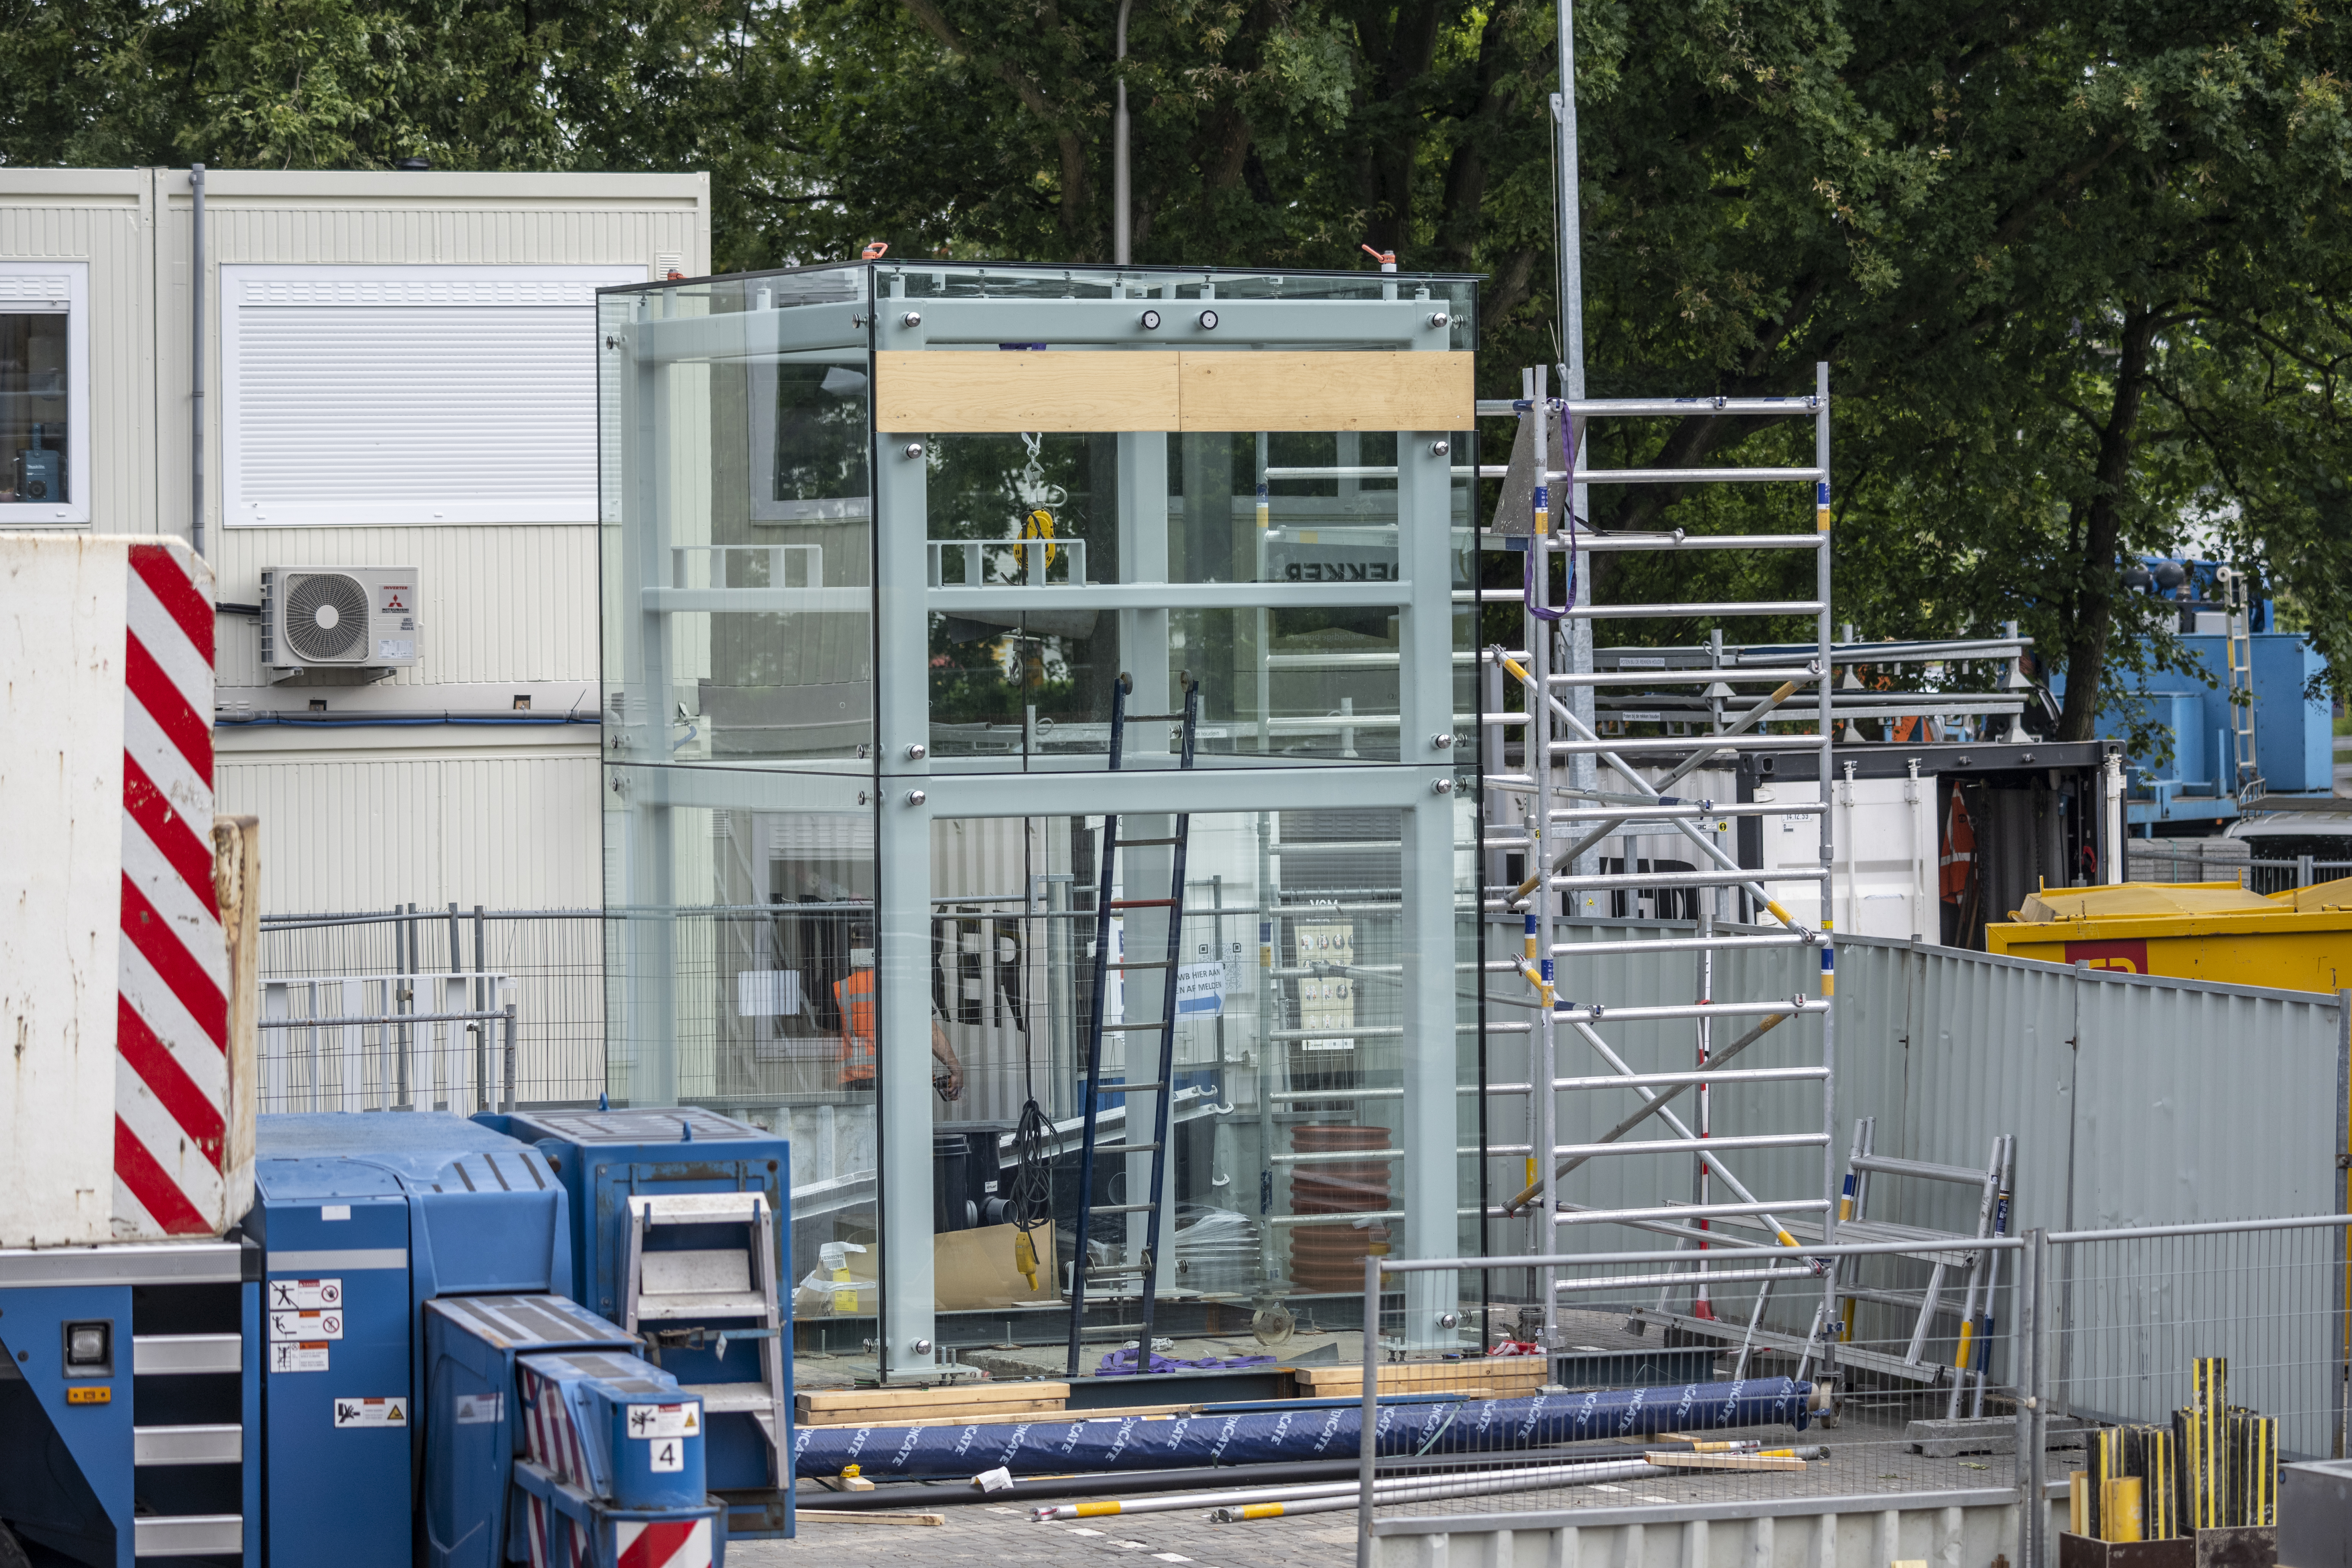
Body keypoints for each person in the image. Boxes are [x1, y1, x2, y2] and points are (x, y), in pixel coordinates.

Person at [835, 956, 963, 1096]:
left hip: (859, 1078)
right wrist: (956, 1069)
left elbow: (828, 1043)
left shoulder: (842, 988)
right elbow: (930, 1032)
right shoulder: (904, 985)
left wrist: (828, 1081)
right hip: (904, 1076)